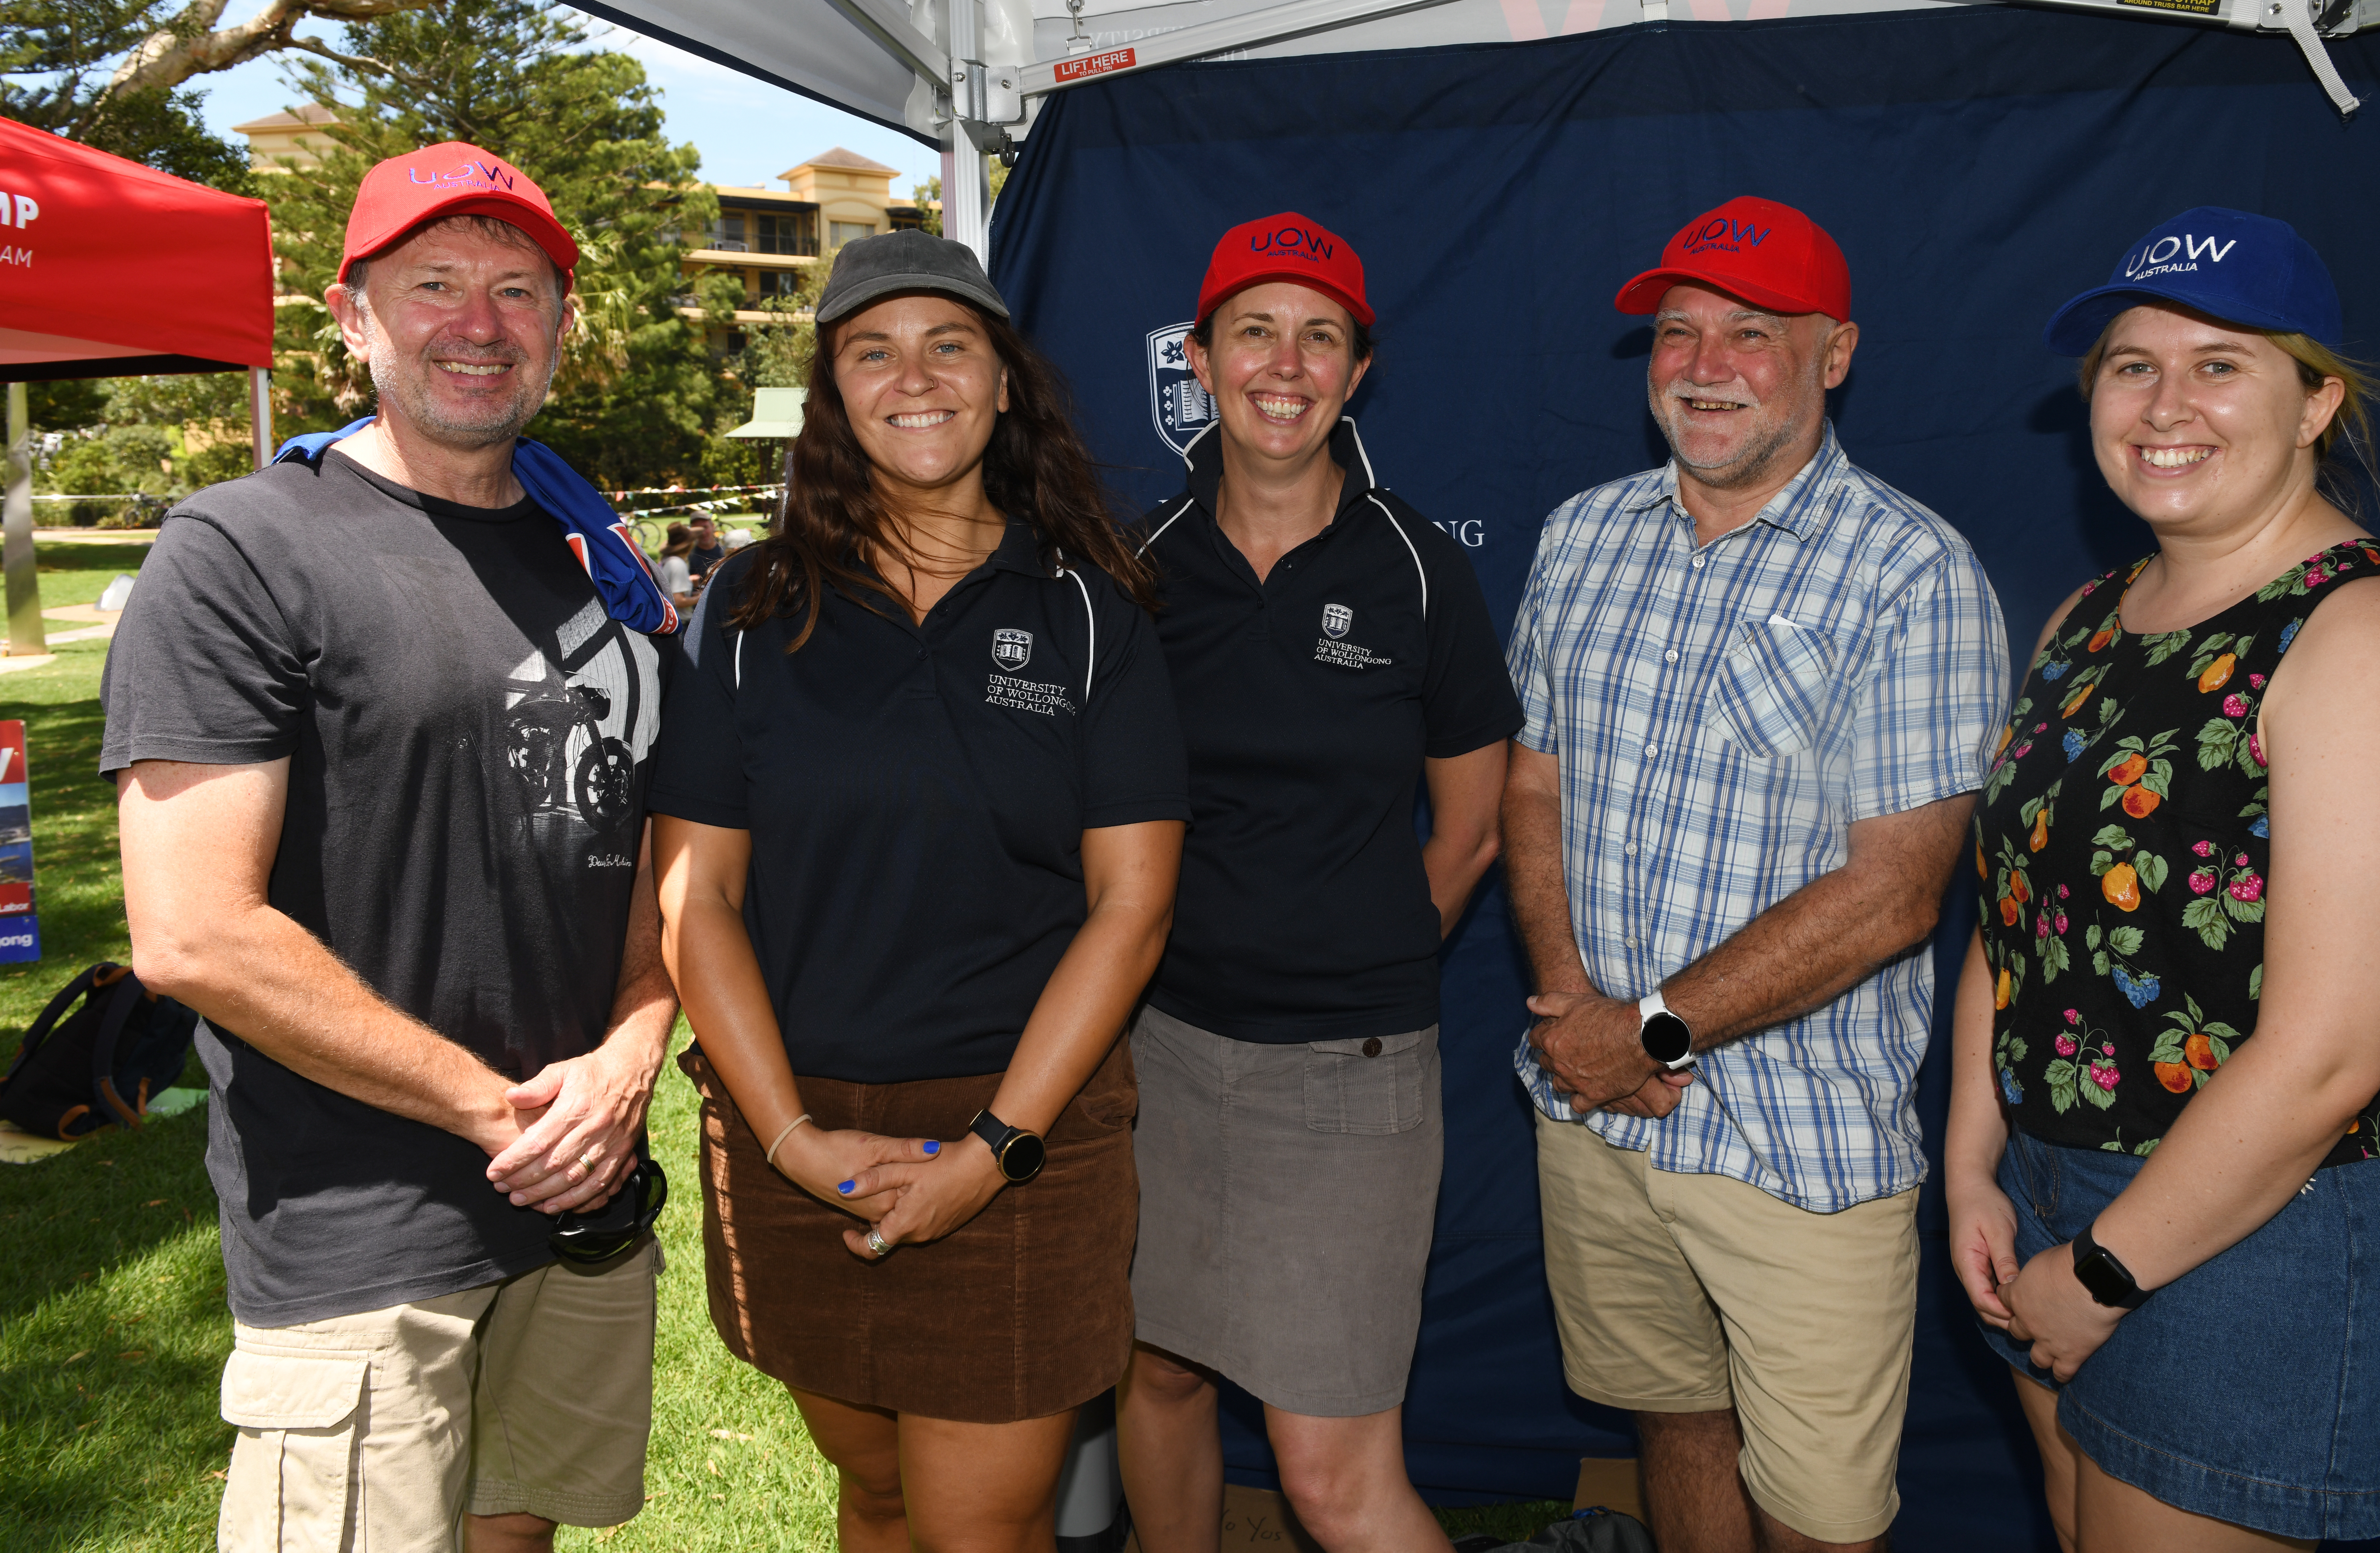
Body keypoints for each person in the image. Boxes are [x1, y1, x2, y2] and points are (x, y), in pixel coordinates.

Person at [104, 143, 674, 1552]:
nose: (480, 324)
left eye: (518, 289)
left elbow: (657, 836)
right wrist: (501, 1114)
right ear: (353, 319)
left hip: (574, 1197)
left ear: (558, 325)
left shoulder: (589, 555)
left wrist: (630, 1048)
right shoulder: (243, 549)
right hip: (364, 1228)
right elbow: (191, 931)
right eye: (434, 285)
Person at [1945, 208, 2380, 1550]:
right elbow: (2015, 918)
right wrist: (1970, 1163)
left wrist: (2114, 1267)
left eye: (2221, 363)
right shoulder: (2088, 616)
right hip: (2052, 1189)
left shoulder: (2369, 636)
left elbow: (2327, 1054)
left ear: (2316, 402)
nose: (2166, 403)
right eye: (2133, 366)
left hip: (2266, 1223)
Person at [649, 229, 1189, 1553]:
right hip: (796, 1127)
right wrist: (787, 1138)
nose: (917, 377)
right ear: (833, 395)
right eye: (871, 351)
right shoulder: (748, 603)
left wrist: (997, 1150)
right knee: (874, 1485)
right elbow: (696, 896)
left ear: (1007, 379)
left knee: (973, 1528)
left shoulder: (1086, 609)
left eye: (951, 343)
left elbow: (1135, 905)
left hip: (1025, 1133)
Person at [1504, 196, 2009, 1553]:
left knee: (1821, 1513)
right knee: (1672, 1417)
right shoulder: (1581, 538)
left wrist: (1647, 1028)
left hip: (1802, 1143)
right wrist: (1572, 1011)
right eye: (1678, 330)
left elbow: (1897, 891)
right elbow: (1535, 779)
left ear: (1833, 354)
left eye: (1751, 331)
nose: (1704, 361)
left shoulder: (1915, 575)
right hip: (1599, 1116)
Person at [1115, 215, 1522, 1553]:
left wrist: (1352, 952)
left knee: (1331, 1471)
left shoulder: (1417, 567)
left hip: (1347, 1070)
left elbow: (1467, 831)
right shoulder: (1140, 562)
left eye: (1320, 336)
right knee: (1158, 1371)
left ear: (1357, 372)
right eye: (1255, 330)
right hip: (1158, 1049)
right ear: (1201, 357)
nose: (1284, 365)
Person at [657, 521, 696, 606]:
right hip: (681, 618)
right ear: (689, 546)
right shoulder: (678, 564)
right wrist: (702, 596)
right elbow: (678, 601)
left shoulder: (666, 560)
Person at [684, 513, 727, 583]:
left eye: (705, 527)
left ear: (713, 526)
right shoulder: (688, 557)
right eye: (698, 530)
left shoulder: (725, 552)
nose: (703, 533)